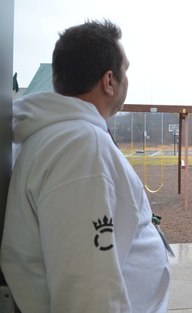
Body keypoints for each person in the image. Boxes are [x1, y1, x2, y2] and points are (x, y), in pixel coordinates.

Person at [1, 20, 170, 312]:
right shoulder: (80, 148)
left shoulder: (61, 137)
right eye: (125, 69)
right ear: (108, 81)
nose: (127, 78)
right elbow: (87, 288)